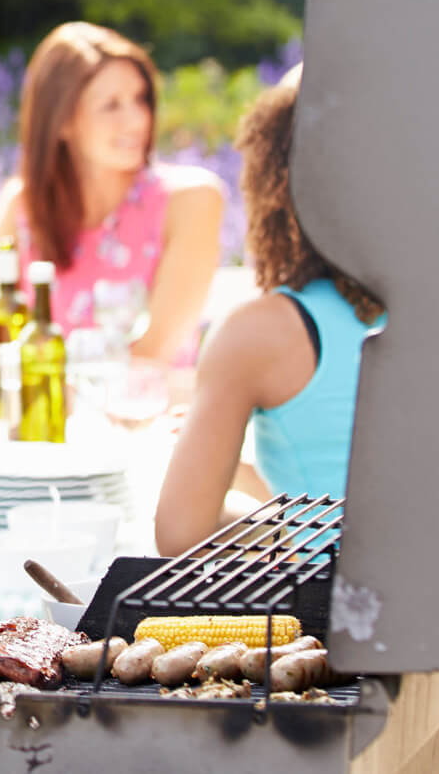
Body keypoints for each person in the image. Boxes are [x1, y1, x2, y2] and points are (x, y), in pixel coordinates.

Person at [154, 71, 387, 556]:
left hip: (341, 618)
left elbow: (180, 536)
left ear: (274, 175)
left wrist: (223, 477)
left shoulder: (259, 335)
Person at [0, 21, 226, 367]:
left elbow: (153, 354)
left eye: (140, 99)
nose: (136, 119)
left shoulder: (191, 200)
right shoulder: (22, 204)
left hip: (149, 416)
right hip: (37, 417)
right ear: (61, 121)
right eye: (111, 105)